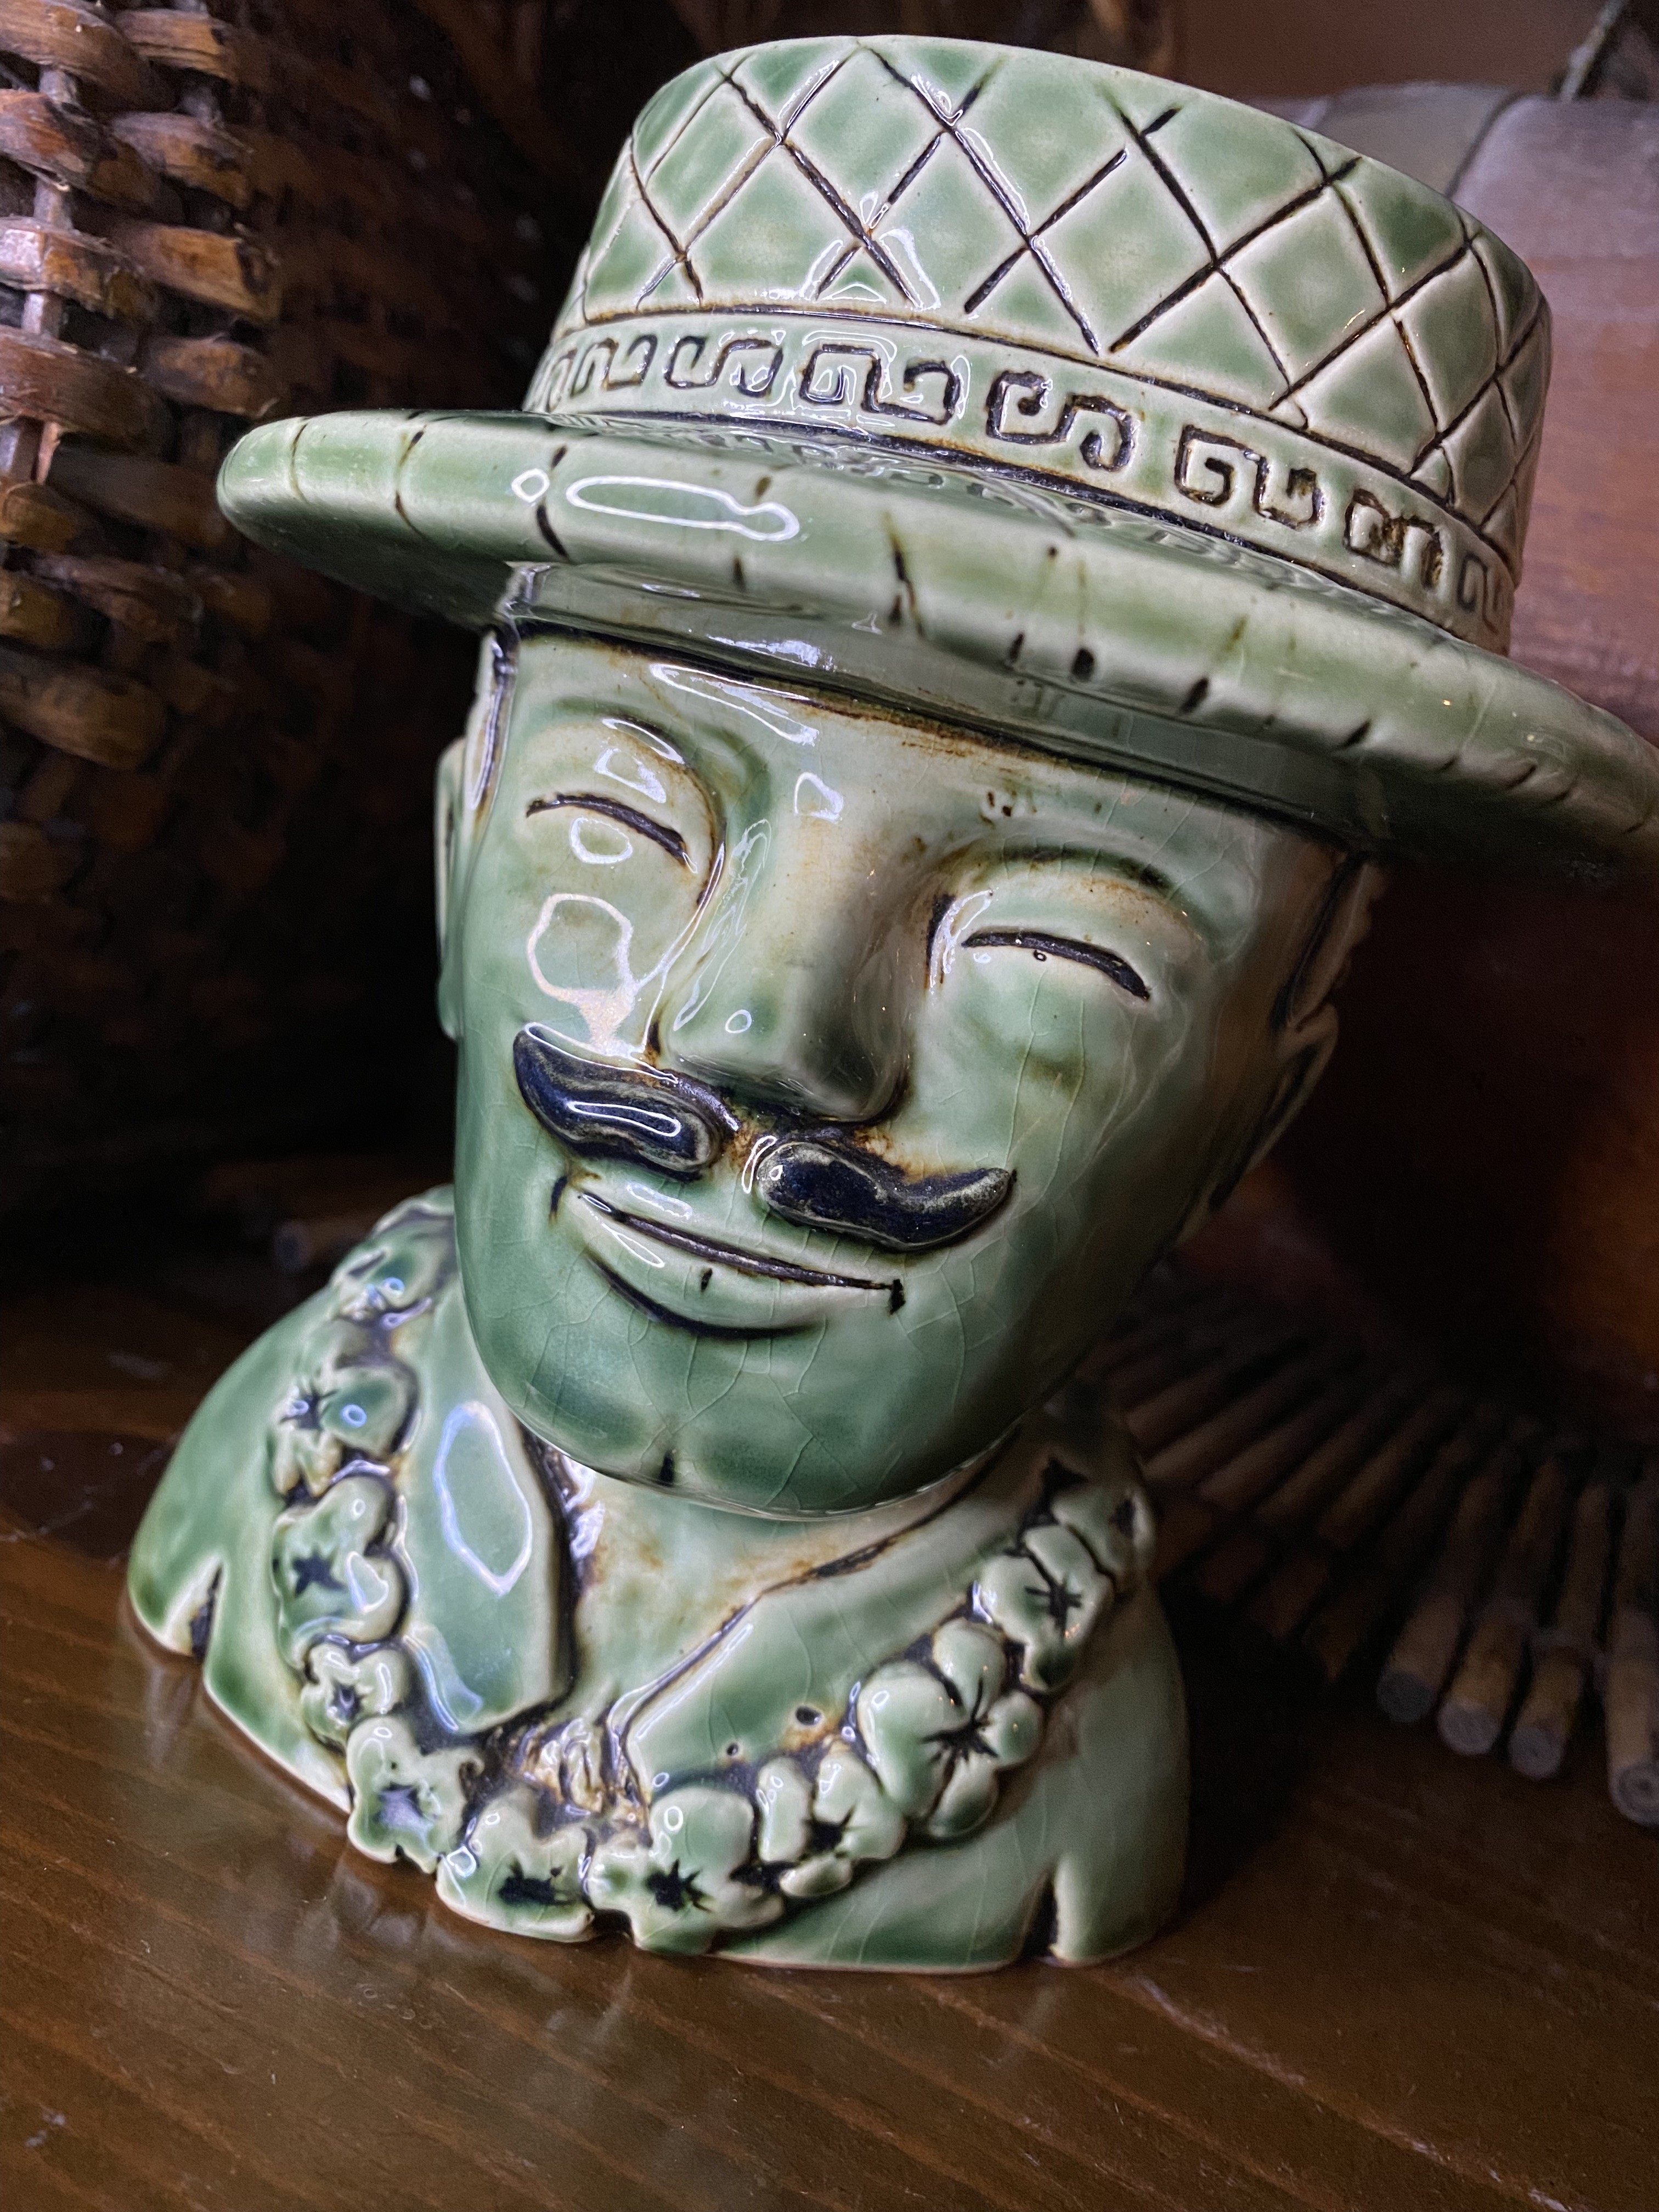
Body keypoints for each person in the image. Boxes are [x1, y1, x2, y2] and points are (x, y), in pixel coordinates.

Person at [129, 36, 1657, 1969]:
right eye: (631, 823)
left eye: (1053, 945)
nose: (768, 1037)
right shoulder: (276, 1481)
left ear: (1246, 1115)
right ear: (459, 863)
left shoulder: (1056, 1763)